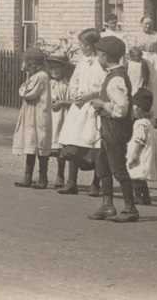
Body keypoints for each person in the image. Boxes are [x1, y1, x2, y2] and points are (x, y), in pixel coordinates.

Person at [87, 35, 138, 222]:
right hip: (108, 129)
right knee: (103, 165)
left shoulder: (116, 79)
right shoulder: (114, 74)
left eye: (98, 55)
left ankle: (130, 208)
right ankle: (107, 205)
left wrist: (102, 104)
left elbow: (121, 109)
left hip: (116, 129)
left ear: (104, 56)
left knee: (118, 168)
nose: (97, 59)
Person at [55, 29, 103, 195]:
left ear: (90, 46)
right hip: (78, 108)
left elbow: (104, 85)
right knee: (73, 143)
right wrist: (74, 93)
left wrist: (90, 95)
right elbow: (74, 80)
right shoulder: (82, 62)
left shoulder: (101, 62)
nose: (80, 47)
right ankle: (71, 182)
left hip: (93, 107)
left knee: (94, 145)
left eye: (82, 45)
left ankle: (96, 183)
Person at [12, 48, 53, 188]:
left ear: (33, 63)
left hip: (38, 115)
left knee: (40, 145)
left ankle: (43, 178)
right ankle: (28, 177)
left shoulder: (41, 76)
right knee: (31, 144)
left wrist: (22, 89)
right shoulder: (35, 76)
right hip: (31, 114)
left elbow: (28, 93)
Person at [127, 88, 157, 205]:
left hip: (140, 154)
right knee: (140, 177)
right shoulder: (148, 123)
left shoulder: (140, 124)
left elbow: (139, 140)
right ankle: (145, 196)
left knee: (135, 176)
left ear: (137, 108)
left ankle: (139, 196)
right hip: (146, 153)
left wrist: (134, 155)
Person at [135, 16, 157, 123]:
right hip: (142, 59)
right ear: (141, 24)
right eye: (146, 23)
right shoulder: (138, 36)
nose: (148, 26)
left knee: (156, 87)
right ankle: (141, 113)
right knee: (143, 85)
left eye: (150, 23)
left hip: (155, 61)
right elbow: (134, 50)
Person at [47, 57, 72, 189]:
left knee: (60, 149)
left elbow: (73, 101)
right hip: (49, 118)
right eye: (52, 68)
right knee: (45, 147)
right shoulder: (48, 84)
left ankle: (60, 174)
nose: (55, 71)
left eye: (57, 68)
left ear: (63, 69)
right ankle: (43, 175)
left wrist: (63, 103)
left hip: (62, 118)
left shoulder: (67, 85)